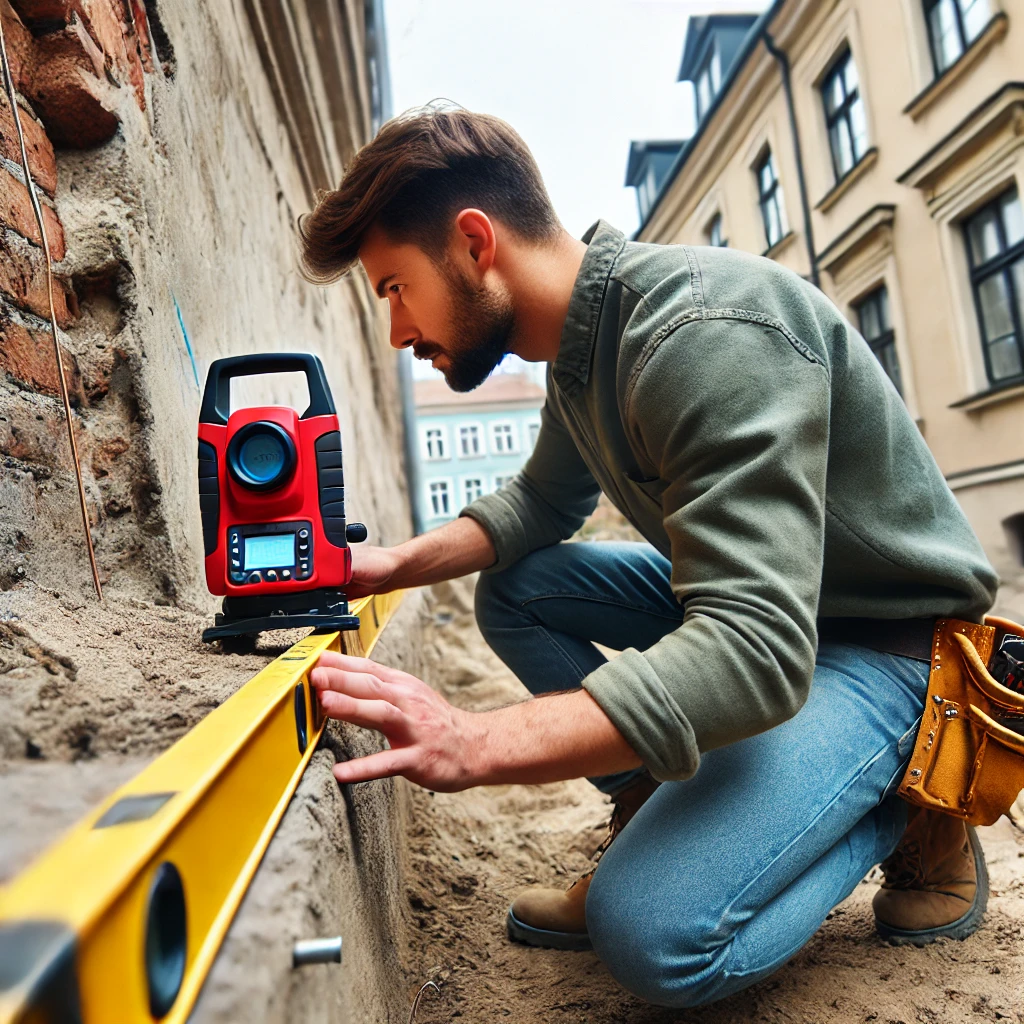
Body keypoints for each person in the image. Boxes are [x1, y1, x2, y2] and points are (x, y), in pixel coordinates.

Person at [297, 104, 998, 1009]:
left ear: (475, 242)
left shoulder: (701, 338)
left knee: (653, 936)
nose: (396, 331)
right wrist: (391, 565)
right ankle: (651, 812)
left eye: (394, 287)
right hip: (787, 615)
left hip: (891, 645)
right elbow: (541, 505)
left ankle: (909, 797)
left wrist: (476, 741)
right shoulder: (581, 349)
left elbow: (752, 649)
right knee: (520, 590)